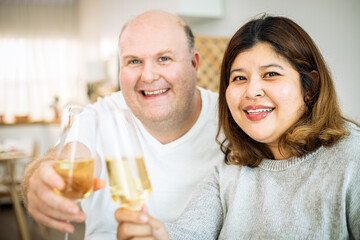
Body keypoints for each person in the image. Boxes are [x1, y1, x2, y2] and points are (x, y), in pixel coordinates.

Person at [115, 15, 360, 239]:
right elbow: (190, 233)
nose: (251, 91)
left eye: (271, 74)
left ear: (309, 86)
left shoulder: (352, 160)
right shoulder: (231, 168)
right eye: (239, 78)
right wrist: (159, 234)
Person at [21, 10, 223, 238]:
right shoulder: (100, 114)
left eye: (164, 59)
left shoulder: (230, 119)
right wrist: (39, 179)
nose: (148, 75)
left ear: (194, 64)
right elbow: (68, 156)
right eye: (134, 61)